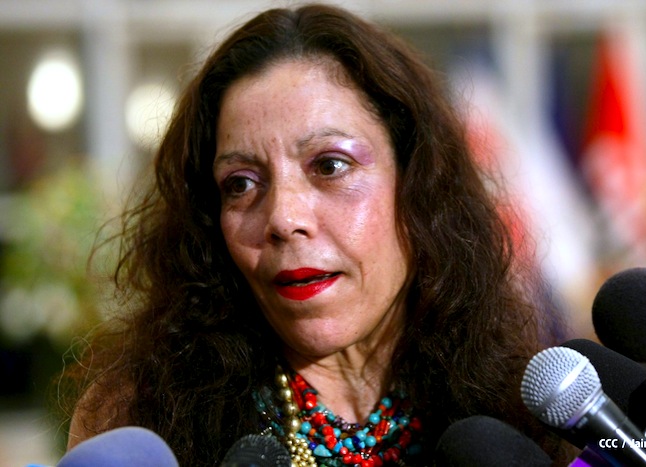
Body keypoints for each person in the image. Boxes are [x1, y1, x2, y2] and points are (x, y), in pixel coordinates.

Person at [59, 3, 571, 466]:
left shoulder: (527, 406)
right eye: (240, 184)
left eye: (329, 165)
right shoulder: (140, 418)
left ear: (418, 185)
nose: (283, 219)